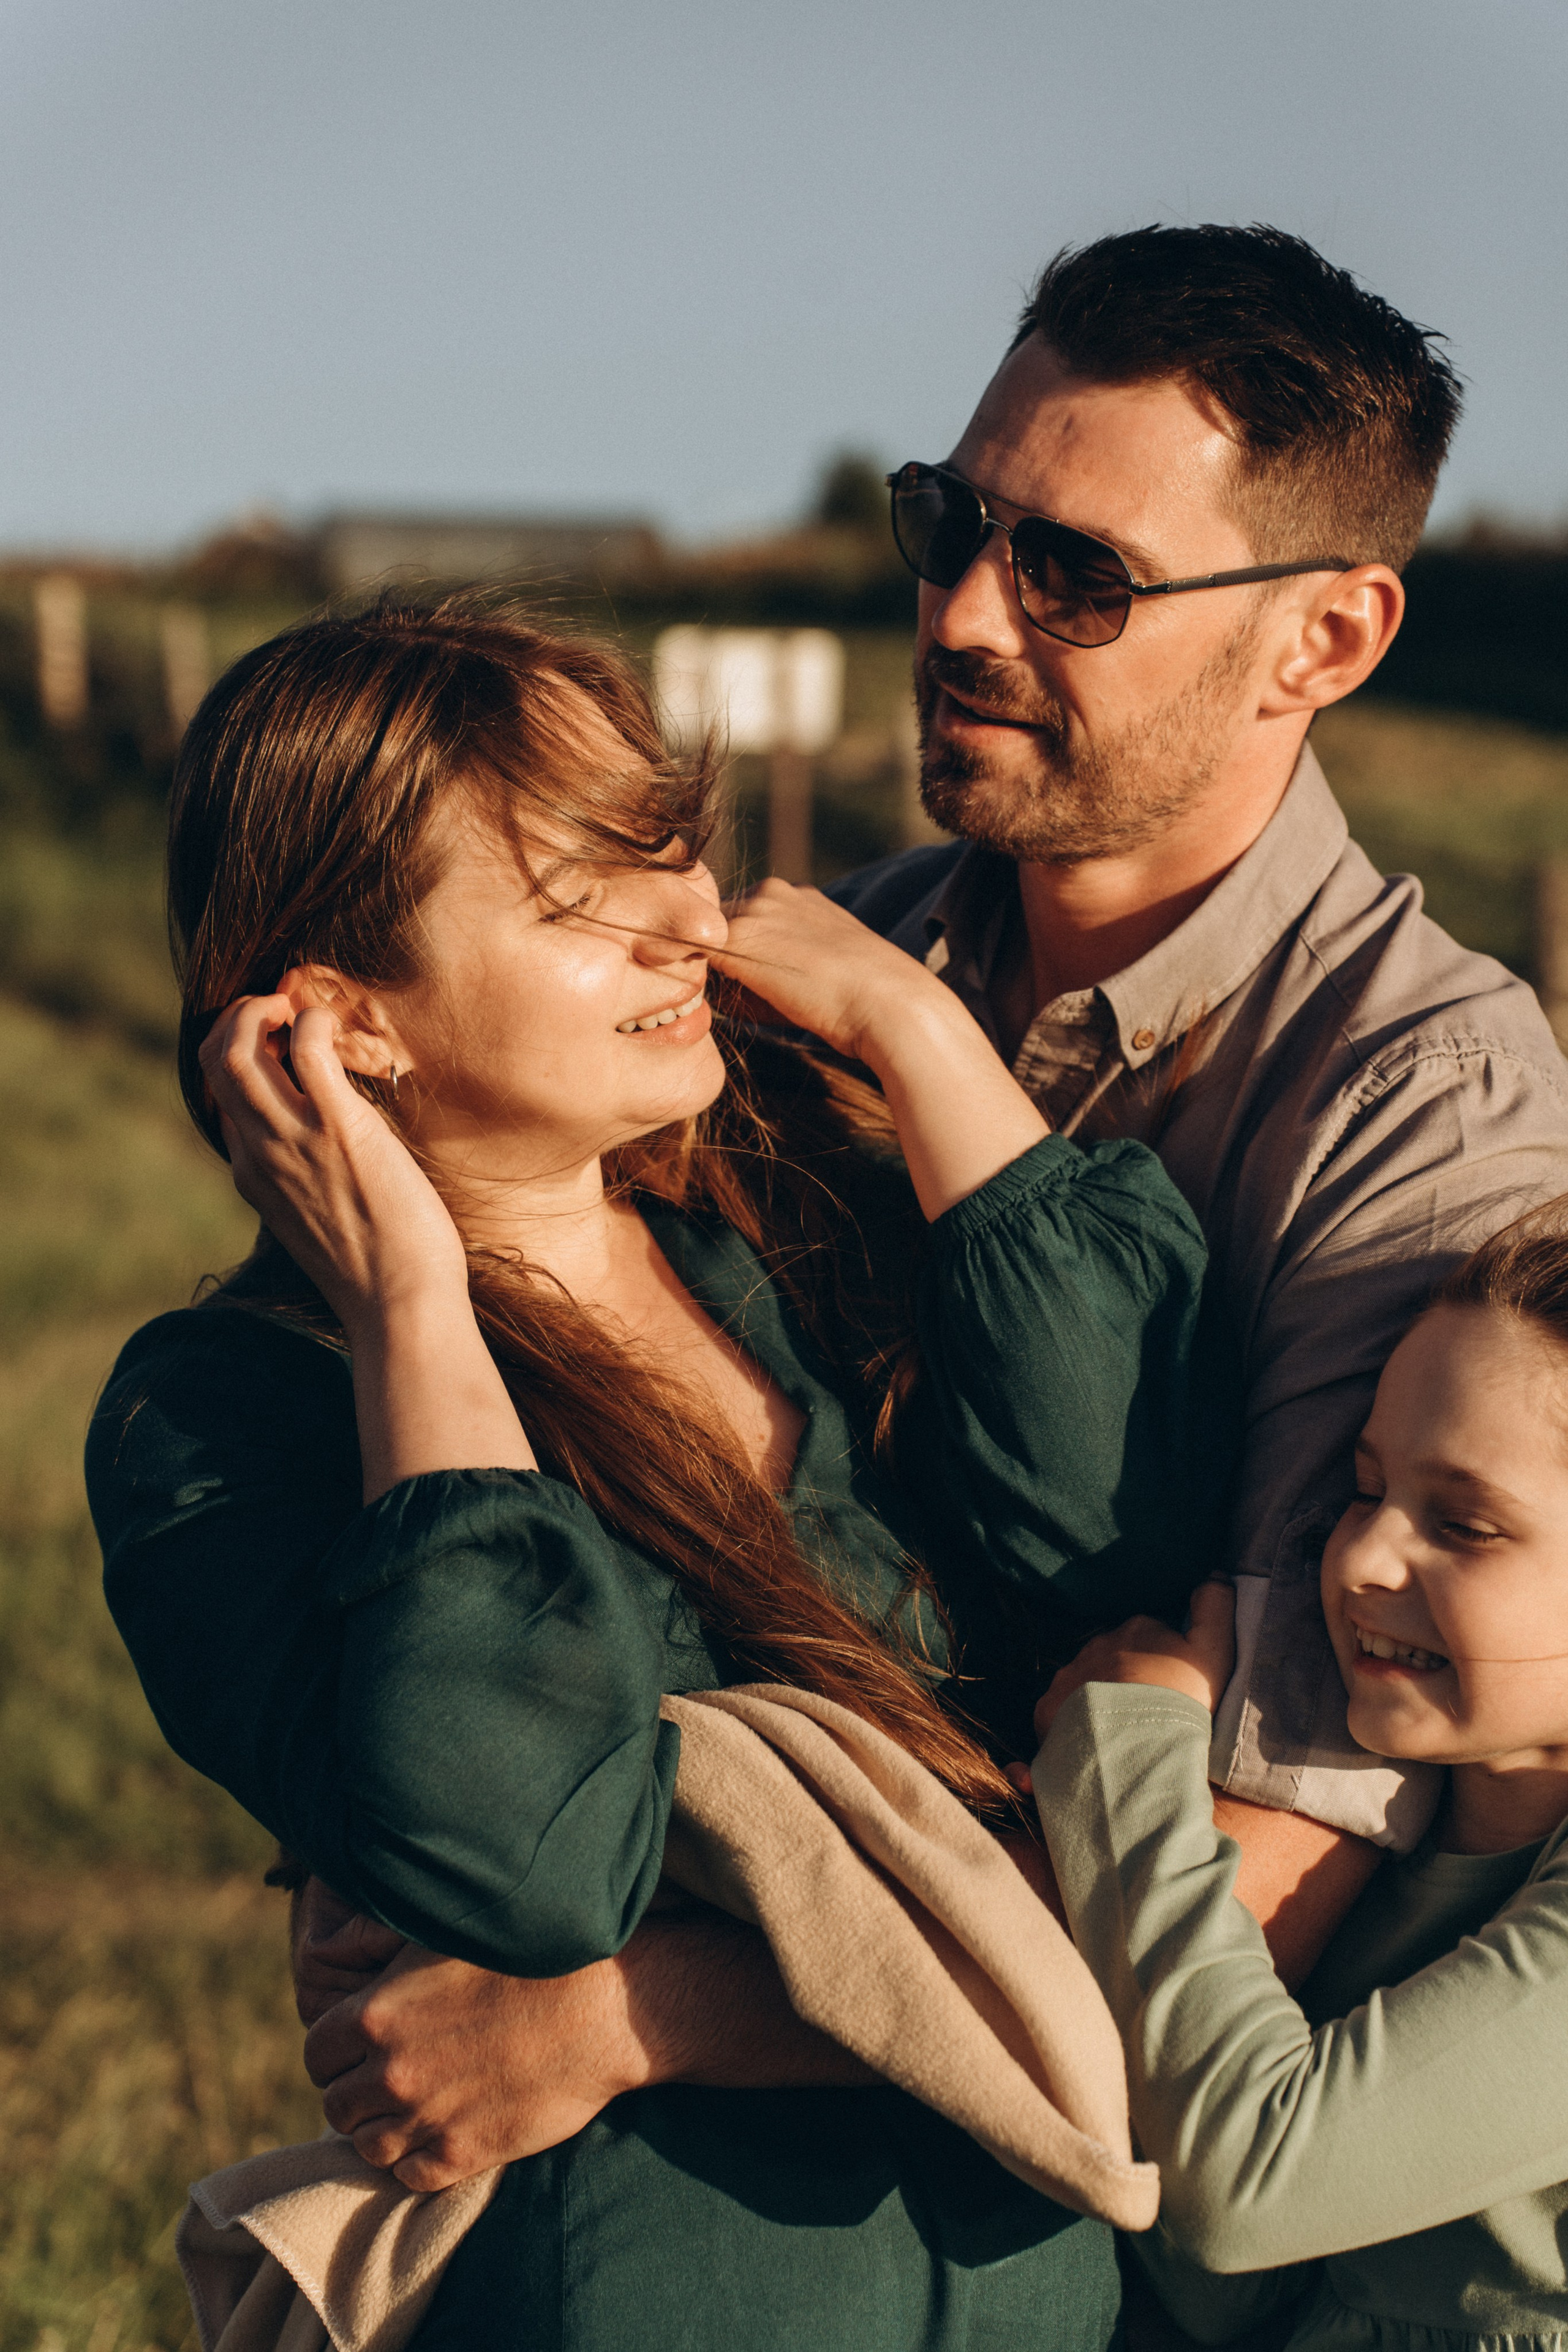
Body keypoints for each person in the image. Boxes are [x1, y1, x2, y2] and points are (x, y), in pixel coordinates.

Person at [88, 598, 1230, 2350]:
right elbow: (527, 1856)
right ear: (347, 1012)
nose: (689, 922)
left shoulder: (805, 1224)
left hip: (1056, 2279)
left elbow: (1123, 1538)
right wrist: (411, 1295)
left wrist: (916, 1032)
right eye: (584, 895)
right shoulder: (239, 1419)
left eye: (674, 851)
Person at [832, 223, 1568, 1932]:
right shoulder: (849, 963)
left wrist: (643, 2021)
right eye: (951, 526)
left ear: (1323, 641)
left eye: (1076, 578)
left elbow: (1277, 1859)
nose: (958, 617)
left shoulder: (1425, 1101)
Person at [1033, 1205, 1568, 2352]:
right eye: (1366, 1488)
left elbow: (1243, 2186)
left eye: (1466, 1526)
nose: (1363, 1555)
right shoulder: (1403, 1848)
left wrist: (1127, 1744)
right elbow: (1239, 2280)